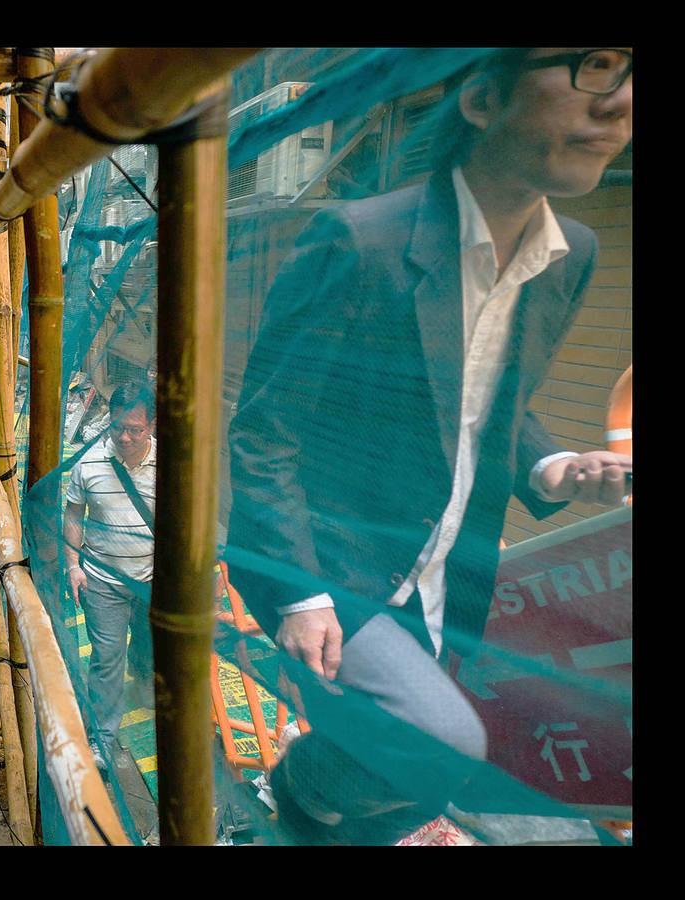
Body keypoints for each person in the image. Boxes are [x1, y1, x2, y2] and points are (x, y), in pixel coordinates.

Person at [224, 48, 633, 843]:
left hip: (444, 563)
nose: (618, 105)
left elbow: (489, 410)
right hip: (332, 557)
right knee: (445, 746)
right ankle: (299, 781)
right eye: (593, 67)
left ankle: (314, 820)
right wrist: (301, 595)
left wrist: (557, 468)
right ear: (481, 101)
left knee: (394, 790)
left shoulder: (572, 256)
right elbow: (265, 431)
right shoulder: (357, 241)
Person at [64, 380, 158, 772]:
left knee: (153, 649)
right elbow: (73, 514)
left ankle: (144, 672)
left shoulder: (172, 465)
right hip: (103, 580)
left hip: (154, 580)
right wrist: (73, 564)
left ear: (152, 425)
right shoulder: (89, 464)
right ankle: (101, 738)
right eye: (117, 426)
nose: (125, 437)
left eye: (135, 429)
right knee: (106, 659)